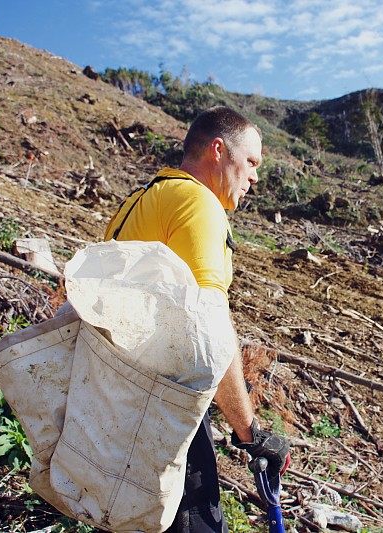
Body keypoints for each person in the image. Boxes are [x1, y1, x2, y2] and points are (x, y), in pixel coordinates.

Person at [103, 106, 291, 532]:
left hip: (113, 399)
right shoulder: (199, 204)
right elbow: (210, 329)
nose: (255, 177)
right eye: (252, 163)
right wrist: (249, 433)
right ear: (218, 150)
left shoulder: (141, 199)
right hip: (162, 409)